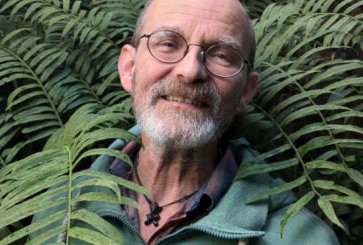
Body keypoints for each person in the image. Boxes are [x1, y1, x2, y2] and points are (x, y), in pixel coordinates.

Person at [33, 0, 340, 244]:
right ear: (128, 68)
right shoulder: (59, 208)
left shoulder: (298, 237)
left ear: (246, 90)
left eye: (222, 55)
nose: (191, 71)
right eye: (168, 44)